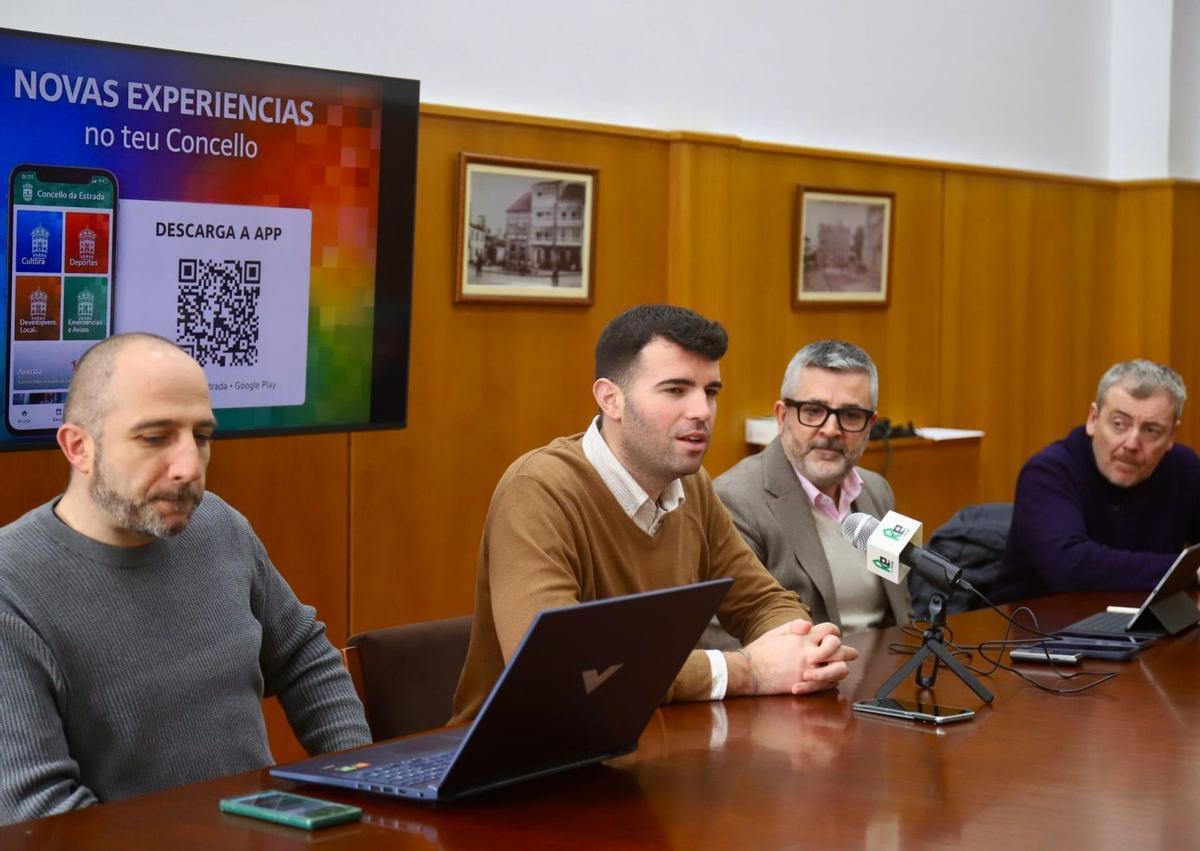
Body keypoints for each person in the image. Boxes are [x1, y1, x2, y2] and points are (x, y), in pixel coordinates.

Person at [0, 333, 371, 825]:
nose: (189, 467)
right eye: (155, 438)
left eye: (201, 436)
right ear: (79, 447)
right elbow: (43, 815)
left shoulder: (217, 525)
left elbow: (304, 659)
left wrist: (362, 782)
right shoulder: (13, 585)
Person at [451, 305, 858, 723]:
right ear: (611, 399)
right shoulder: (538, 490)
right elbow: (561, 669)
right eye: (675, 390)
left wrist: (803, 648)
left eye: (711, 391)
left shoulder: (691, 485)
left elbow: (762, 601)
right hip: (520, 763)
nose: (702, 410)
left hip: (649, 741)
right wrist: (745, 671)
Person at [704, 341, 909, 649]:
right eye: (813, 411)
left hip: (886, 680)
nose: (830, 429)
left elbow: (903, 609)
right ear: (782, 416)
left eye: (851, 415)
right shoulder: (735, 500)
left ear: (870, 426)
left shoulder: (878, 491)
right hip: (802, 686)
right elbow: (725, 636)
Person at [1002, 359, 1200, 596]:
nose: (1131, 443)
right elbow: (1069, 567)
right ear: (1093, 419)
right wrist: (1187, 571)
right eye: (1119, 424)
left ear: (1171, 436)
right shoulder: (1048, 472)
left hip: (1144, 623)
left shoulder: (1183, 468)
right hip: (1034, 625)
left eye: (1151, 431)